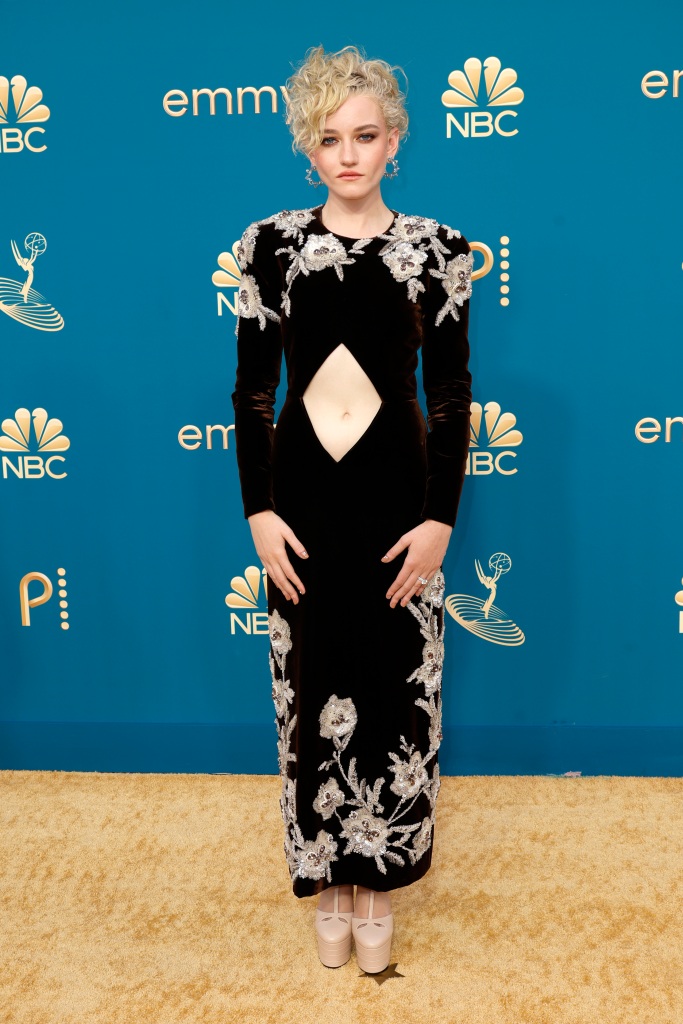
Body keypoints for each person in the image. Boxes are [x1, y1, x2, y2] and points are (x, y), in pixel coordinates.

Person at [231, 43, 474, 973]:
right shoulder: (270, 248)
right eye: (329, 138)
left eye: (365, 135)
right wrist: (258, 513)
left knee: (391, 701)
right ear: (306, 147)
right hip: (299, 515)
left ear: (395, 140)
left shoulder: (439, 254)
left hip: (398, 514)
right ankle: (326, 885)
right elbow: (252, 397)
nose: (348, 154)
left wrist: (439, 521)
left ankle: (377, 896)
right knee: (309, 700)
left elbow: (450, 401)